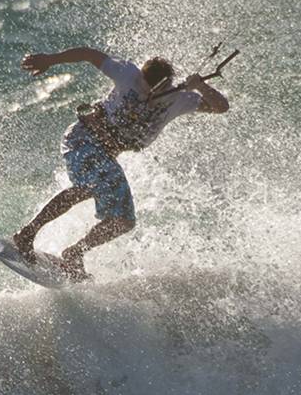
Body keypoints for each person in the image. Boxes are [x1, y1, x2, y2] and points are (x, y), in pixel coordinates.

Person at [13, 46, 230, 280]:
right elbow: (89, 54)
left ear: (166, 85)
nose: (146, 94)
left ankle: (75, 253)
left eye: (154, 89)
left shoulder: (178, 99)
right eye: (144, 86)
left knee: (124, 221)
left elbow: (221, 107)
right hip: (83, 138)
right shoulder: (128, 74)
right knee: (88, 187)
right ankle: (27, 233)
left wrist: (200, 86)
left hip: (106, 155)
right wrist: (50, 59)